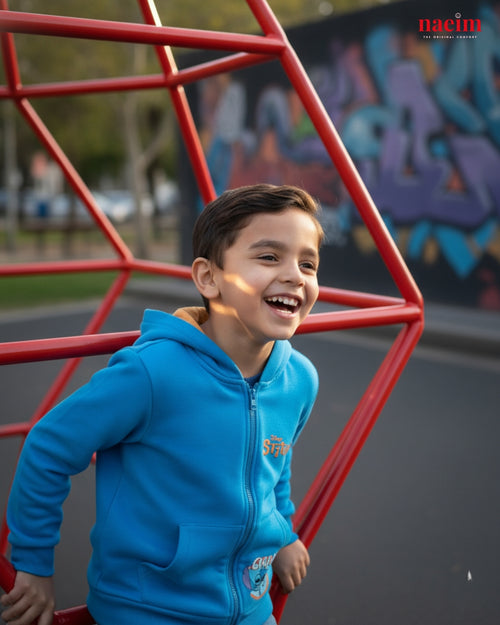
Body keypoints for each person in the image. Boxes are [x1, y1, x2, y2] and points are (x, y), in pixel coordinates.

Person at [1, 183, 324, 625]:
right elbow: (49, 447)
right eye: (269, 257)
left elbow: (275, 463)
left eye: (308, 263)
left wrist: (283, 532)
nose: (294, 275)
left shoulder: (299, 379)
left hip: (250, 608)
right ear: (209, 278)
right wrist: (33, 564)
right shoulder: (153, 373)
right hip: (146, 609)